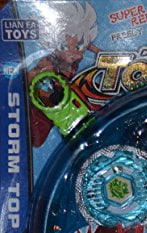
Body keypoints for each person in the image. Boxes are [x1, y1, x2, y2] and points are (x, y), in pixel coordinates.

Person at [28, 1, 100, 146]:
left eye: (78, 46)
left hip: (70, 104)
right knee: (36, 138)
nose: (74, 52)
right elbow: (31, 77)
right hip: (50, 104)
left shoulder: (76, 55)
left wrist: (101, 53)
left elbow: (87, 44)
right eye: (64, 45)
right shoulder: (48, 64)